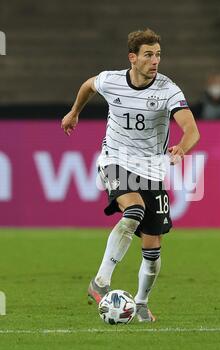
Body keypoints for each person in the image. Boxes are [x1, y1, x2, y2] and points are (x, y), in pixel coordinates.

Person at [61, 28, 200, 322]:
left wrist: (181, 149)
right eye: (148, 55)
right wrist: (74, 112)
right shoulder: (112, 80)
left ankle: (140, 302)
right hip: (115, 160)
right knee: (133, 209)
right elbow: (88, 86)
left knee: (152, 250)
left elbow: (192, 130)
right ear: (133, 58)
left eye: (158, 55)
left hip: (151, 170)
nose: (155, 61)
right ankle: (100, 281)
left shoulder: (168, 90)